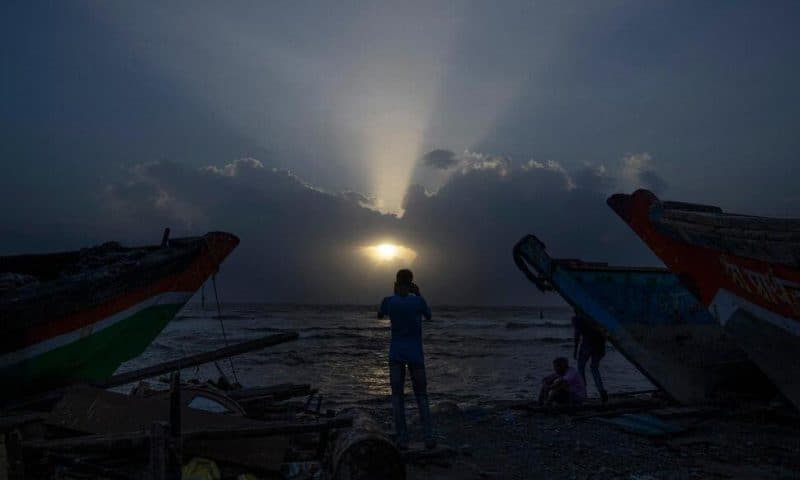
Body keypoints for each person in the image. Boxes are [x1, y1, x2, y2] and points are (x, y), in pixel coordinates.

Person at [378, 269, 435, 450]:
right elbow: (429, 316)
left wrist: (395, 294)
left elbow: (380, 314)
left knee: (397, 397)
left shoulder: (389, 301)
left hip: (396, 354)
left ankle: (403, 439)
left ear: (396, 282)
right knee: (422, 396)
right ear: (411, 283)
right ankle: (428, 437)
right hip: (416, 354)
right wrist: (418, 294)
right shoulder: (418, 301)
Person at [572, 310, 608, 403]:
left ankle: (584, 393)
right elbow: (604, 333)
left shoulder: (578, 319)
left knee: (581, 369)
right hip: (599, 346)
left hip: (586, 346)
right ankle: (601, 390)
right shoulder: (595, 316)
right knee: (594, 368)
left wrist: (575, 350)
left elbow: (577, 335)